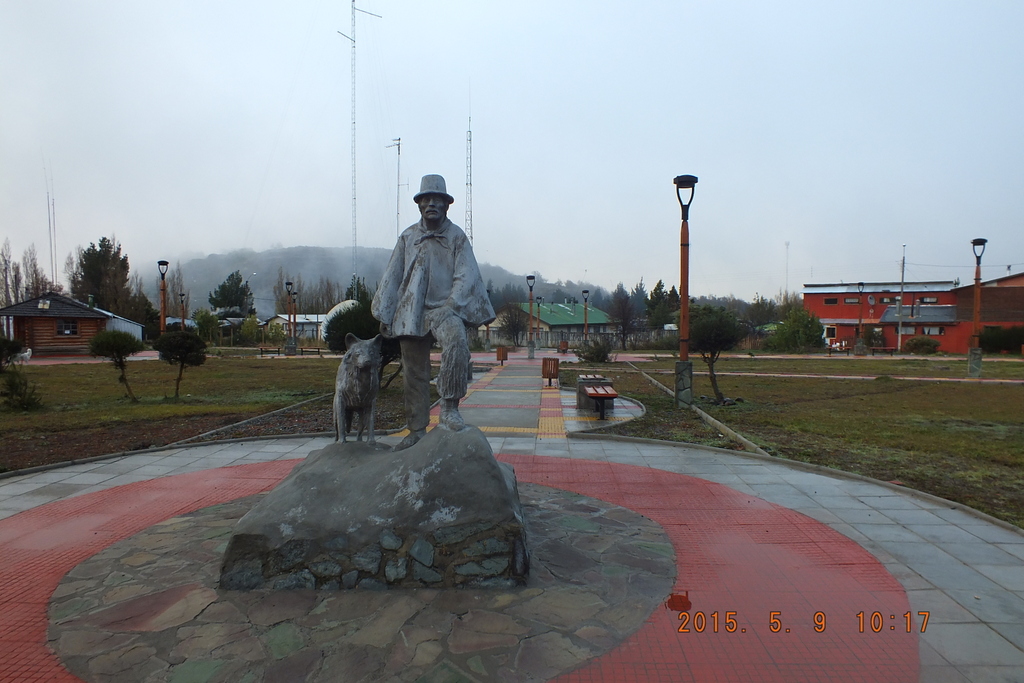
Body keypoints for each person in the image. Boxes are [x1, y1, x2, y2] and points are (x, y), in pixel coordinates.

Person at [371, 174, 495, 450]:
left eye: (437, 200)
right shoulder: (407, 237)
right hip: (411, 311)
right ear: (419, 204)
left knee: (456, 344)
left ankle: (450, 408)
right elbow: (392, 275)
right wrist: (386, 312)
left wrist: (451, 306)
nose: (431, 204)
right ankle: (416, 429)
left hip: (446, 309)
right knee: (414, 371)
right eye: (426, 199)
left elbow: (466, 275)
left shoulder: (456, 237)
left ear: (446, 205)